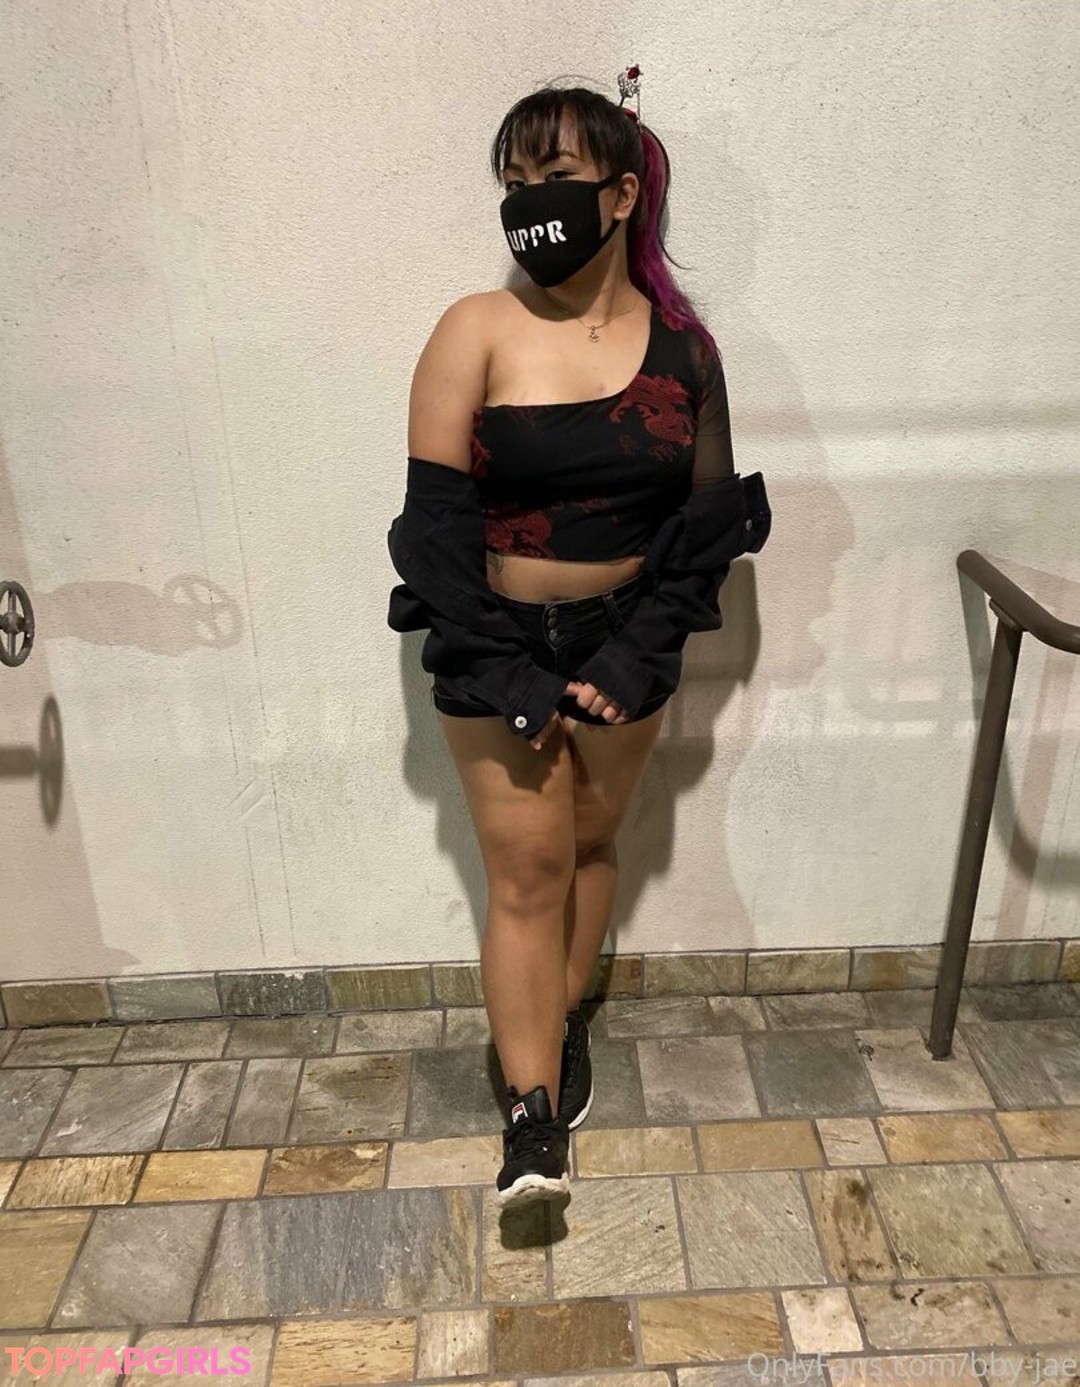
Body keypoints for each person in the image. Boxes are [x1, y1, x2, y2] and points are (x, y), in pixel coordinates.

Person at [387, 72, 771, 1210]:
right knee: (526, 871)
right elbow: (433, 530)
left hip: (624, 644)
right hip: (490, 635)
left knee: (593, 845)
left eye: (553, 174)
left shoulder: (687, 354)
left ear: (621, 193)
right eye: (513, 180)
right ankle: (532, 1121)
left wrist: (632, 654)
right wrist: (506, 665)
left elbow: (703, 531)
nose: (529, 200)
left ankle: (552, 1028)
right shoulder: (473, 328)